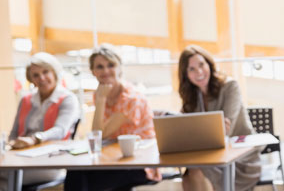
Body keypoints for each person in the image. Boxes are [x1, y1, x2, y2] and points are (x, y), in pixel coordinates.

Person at [64, 44, 161, 191]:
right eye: (100, 67)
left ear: (120, 68)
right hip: (112, 158)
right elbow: (97, 136)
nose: (106, 71)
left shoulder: (130, 97)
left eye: (111, 65)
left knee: (84, 180)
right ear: (93, 71)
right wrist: (101, 98)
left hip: (138, 162)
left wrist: (101, 100)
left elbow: (101, 135)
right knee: (75, 171)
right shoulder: (100, 93)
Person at [178, 45, 261, 191]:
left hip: (240, 156)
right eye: (191, 69)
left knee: (195, 171)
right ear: (186, 75)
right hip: (209, 156)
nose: (199, 72)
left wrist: (199, 135)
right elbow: (187, 131)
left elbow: (225, 129)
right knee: (191, 173)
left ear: (209, 64)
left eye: (201, 65)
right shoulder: (191, 97)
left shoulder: (230, 87)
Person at [0, 52, 79, 190]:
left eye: (45, 72)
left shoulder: (68, 99)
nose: (41, 78)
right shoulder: (26, 100)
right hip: (20, 158)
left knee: (6, 179)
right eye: (35, 75)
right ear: (31, 79)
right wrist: (13, 143)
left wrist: (35, 139)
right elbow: (14, 133)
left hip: (50, 162)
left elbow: (60, 131)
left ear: (54, 72)